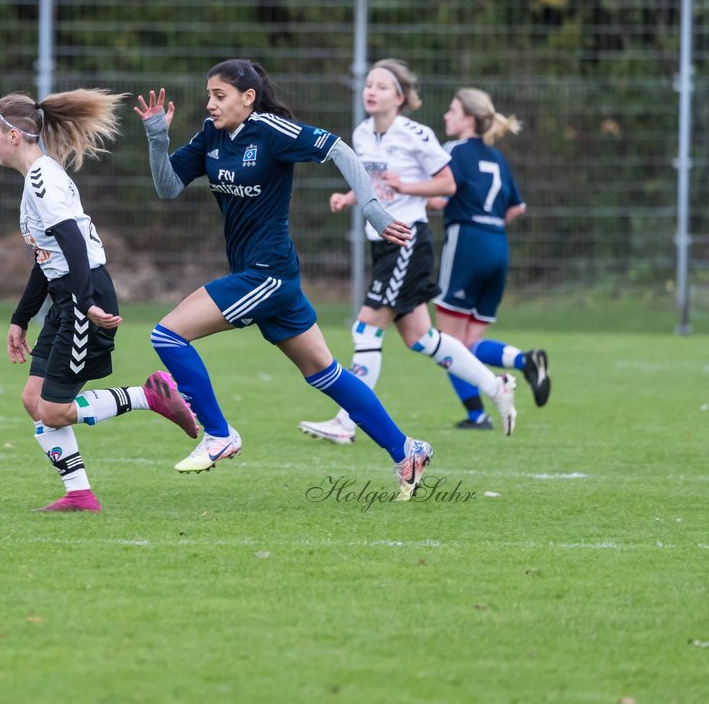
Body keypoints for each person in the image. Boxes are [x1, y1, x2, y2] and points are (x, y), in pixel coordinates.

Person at [137, 59, 434, 501]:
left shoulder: (271, 130)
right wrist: (157, 136)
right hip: (264, 278)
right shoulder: (211, 135)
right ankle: (406, 449)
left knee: (168, 335)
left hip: (268, 274)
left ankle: (219, 434)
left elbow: (338, 149)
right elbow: (167, 187)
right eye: (209, 96)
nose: (210, 104)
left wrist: (371, 207)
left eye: (219, 96)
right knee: (324, 372)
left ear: (248, 97)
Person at [0, 89, 200, 513]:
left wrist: (85, 302)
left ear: (14, 136)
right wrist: (21, 318)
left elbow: (71, 241)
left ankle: (150, 395)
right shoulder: (37, 179)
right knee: (35, 400)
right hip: (68, 294)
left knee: (54, 409)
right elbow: (46, 258)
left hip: (82, 295)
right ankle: (80, 494)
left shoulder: (43, 179)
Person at [297, 59, 520, 445]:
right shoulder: (363, 133)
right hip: (381, 244)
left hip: (406, 240)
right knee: (421, 337)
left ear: (400, 97)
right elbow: (374, 181)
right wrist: (349, 196)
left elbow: (448, 184)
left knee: (365, 327)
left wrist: (409, 188)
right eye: (368, 84)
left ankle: (347, 422)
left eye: (382, 86)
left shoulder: (415, 133)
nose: (371, 91)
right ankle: (496, 386)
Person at [431, 87, 550, 430]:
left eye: (452, 110)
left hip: (467, 242)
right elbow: (517, 206)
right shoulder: (497, 157)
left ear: (469, 118)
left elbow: (439, 198)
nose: (446, 116)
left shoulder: (453, 151)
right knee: (469, 343)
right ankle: (523, 360)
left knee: (447, 344)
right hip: (498, 243)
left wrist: (399, 196)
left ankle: (478, 413)